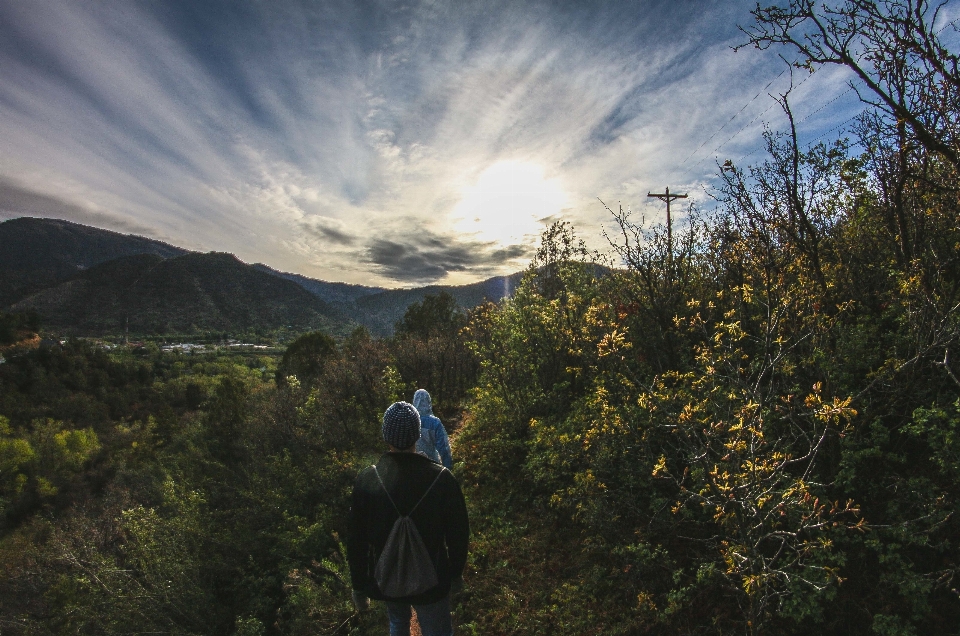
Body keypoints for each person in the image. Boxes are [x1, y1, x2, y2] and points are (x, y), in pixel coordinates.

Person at [347, 401, 469, 636]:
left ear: (386, 435)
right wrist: (455, 574)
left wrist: (359, 587)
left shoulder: (368, 480)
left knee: (398, 623)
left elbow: (356, 540)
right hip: (433, 580)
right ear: (417, 434)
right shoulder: (442, 479)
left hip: (389, 578)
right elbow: (458, 532)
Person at [412, 389, 453, 469]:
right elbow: (444, 447)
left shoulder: (409, 420)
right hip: (432, 466)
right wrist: (448, 467)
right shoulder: (434, 422)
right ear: (428, 401)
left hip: (413, 466)